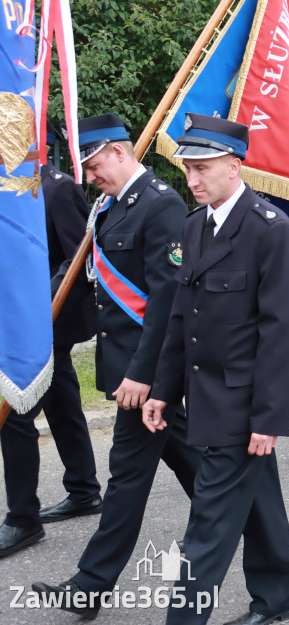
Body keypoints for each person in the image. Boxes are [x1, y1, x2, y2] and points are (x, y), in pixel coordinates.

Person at [31, 114, 201, 619]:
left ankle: (89, 586)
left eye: (94, 163)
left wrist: (146, 375)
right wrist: (33, 306)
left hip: (145, 373)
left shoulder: (162, 205)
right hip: (125, 366)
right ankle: (245, 517)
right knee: (197, 461)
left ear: (120, 151)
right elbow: (80, 270)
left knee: (125, 477)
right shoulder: (107, 208)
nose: (88, 176)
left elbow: (168, 303)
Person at [142, 114, 289, 624]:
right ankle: (279, 598)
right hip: (203, 395)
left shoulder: (269, 230)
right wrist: (162, 390)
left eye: (203, 168)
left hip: (243, 405)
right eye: (187, 169)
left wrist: (267, 419)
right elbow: (180, 320)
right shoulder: (195, 226)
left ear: (235, 166)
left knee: (207, 528)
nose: (192, 180)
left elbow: (280, 332)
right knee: (258, 502)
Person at [0, 146, 101, 558]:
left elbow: (79, 256)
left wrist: (39, 306)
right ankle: (84, 488)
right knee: (61, 402)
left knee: (14, 410)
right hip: (16, 317)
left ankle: (23, 520)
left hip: (48, 319)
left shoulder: (56, 189)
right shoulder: (8, 188)